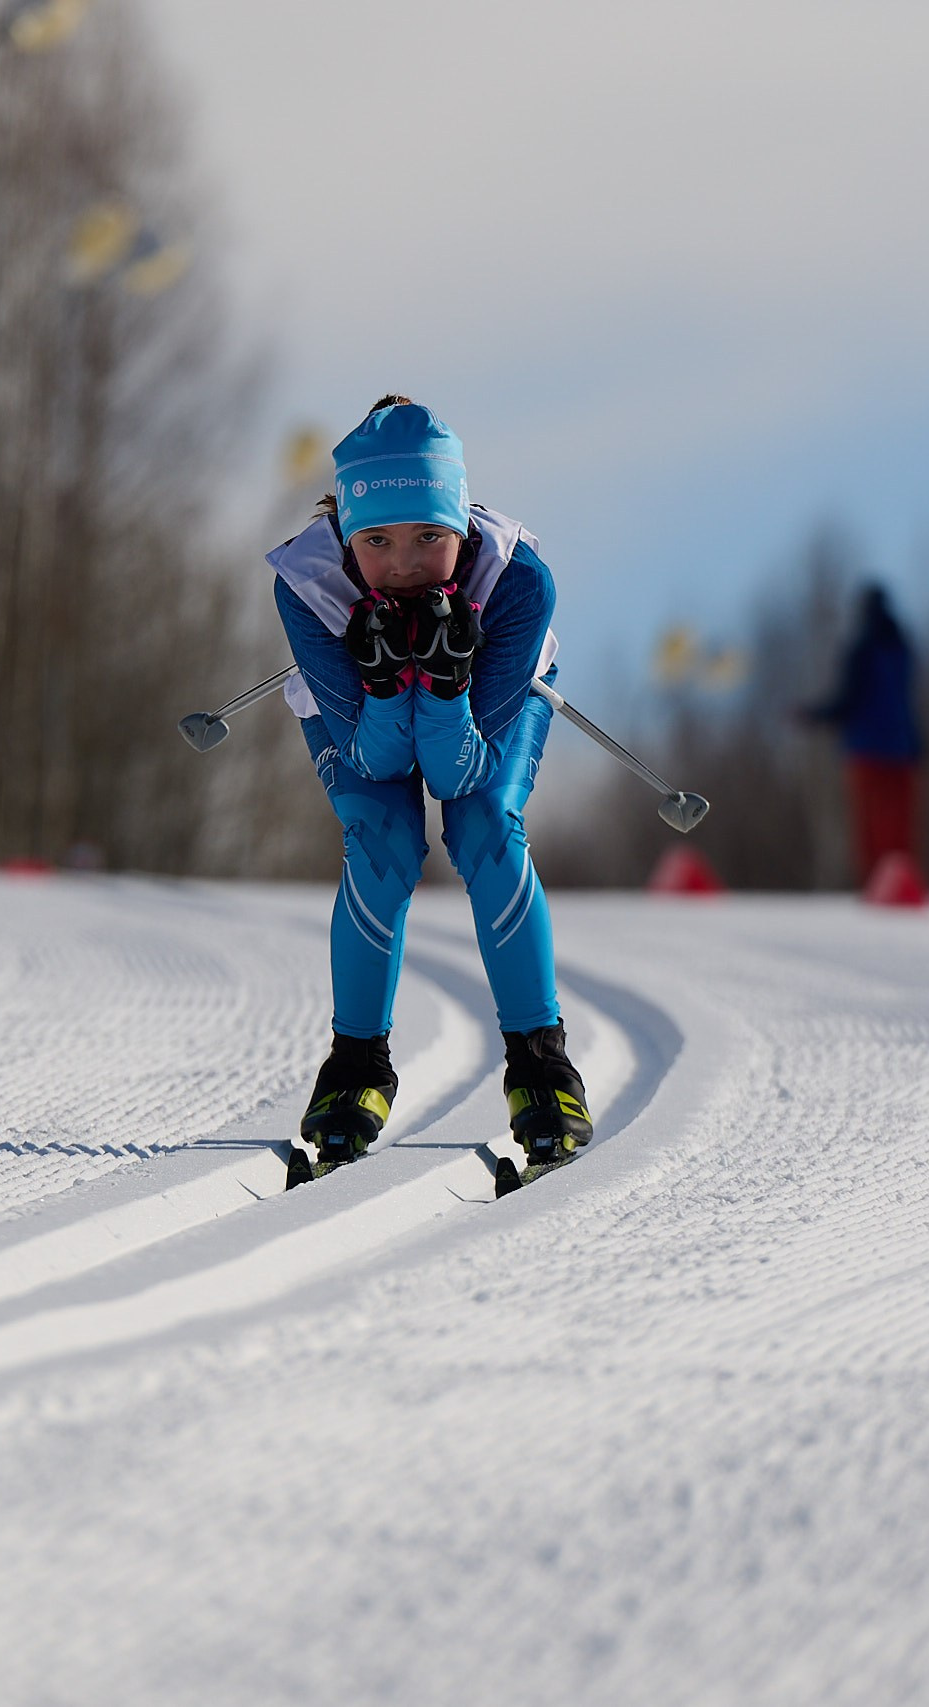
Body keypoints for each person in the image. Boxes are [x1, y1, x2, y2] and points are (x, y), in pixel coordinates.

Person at [271, 397, 588, 1190]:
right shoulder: (310, 590)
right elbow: (375, 767)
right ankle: (355, 1067)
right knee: (380, 838)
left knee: (484, 827)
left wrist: (444, 686)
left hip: (484, 718)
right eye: (376, 540)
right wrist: (384, 685)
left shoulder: (518, 585)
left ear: (460, 528)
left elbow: (459, 777)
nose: (405, 563)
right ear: (345, 533)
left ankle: (540, 1065)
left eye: (428, 538)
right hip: (365, 727)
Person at [803, 583, 924, 885]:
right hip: (904, 748)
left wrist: (813, 715)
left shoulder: (862, 647)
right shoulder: (903, 647)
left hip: (867, 750)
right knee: (900, 826)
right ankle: (903, 882)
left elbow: (848, 700)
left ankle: (879, 885)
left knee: (871, 828)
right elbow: (907, 698)